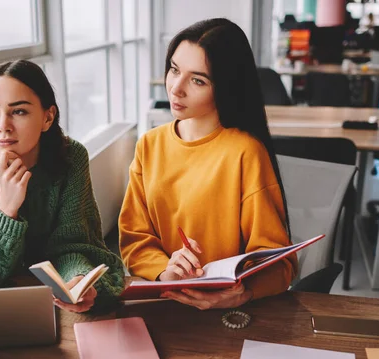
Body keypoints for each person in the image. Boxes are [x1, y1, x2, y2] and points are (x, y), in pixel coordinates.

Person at [118, 19, 297, 310]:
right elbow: (134, 238)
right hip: (166, 304)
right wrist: (166, 272)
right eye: (174, 70)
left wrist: (243, 292)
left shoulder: (245, 152)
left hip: (230, 313)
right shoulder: (149, 145)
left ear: (225, 88)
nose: (176, 88)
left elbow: (279, 262)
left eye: (197, 80)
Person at [0, 60, 125, 313]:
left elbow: (72, 244)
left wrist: (78, 280)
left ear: (47, 117)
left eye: (18, 111)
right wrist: (5, 210)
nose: (2, 126)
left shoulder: (70, 158)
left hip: (39, 295)